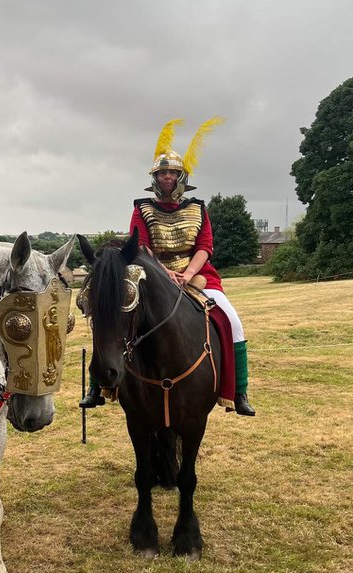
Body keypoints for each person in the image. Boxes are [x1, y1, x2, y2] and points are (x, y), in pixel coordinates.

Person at [81, 118, 255, 416]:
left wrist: (187, 274)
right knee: (111, 311)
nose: (166, 178)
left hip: (198, 274)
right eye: (162, 173)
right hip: (152, 273)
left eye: (172, 173)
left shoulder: (198, 208)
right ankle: (99, 385)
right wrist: (165, 273)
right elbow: (142, 245)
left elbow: (205, 247)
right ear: (154, 178)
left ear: (181, 177)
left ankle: (238, 391)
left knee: (232, 321)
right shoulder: (142, 208)